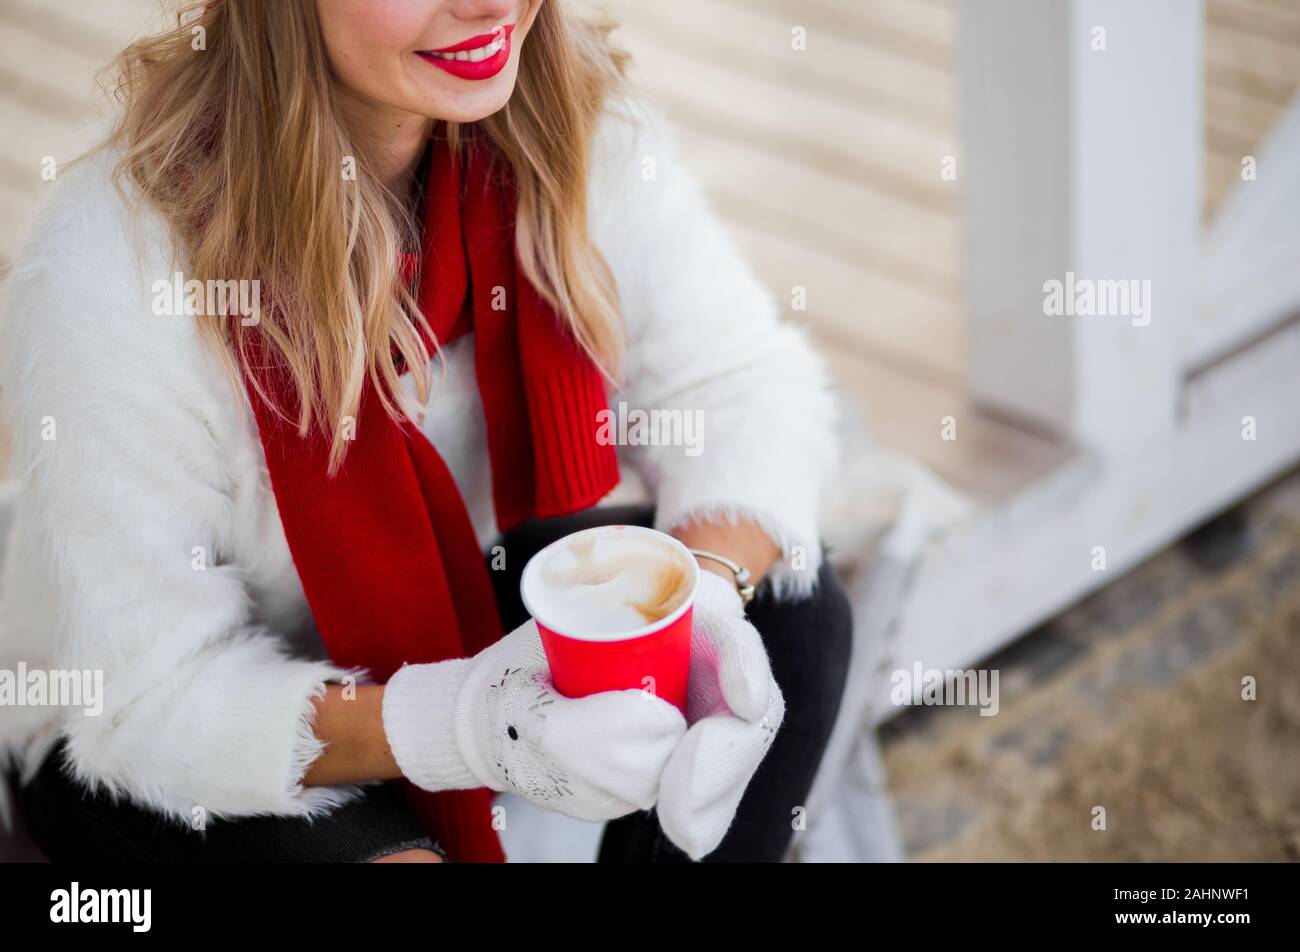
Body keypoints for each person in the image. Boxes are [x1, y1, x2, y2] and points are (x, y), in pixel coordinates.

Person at [0, 0, 850, 863]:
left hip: (451, 607)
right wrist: (471, 724)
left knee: (782, 616)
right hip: (154, 736)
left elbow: (740, 382)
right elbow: (153, 708)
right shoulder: (117, 266)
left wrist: (701, 598)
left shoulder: (563, 116)